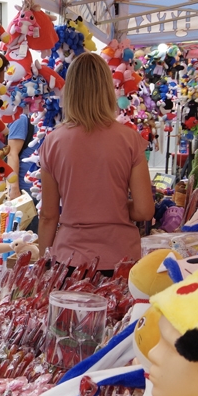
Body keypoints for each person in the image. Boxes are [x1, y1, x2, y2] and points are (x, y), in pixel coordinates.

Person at [38, 52, 154, 272]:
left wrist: (42, 266)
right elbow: (144, 211)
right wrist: (114, 206)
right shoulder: (130, 139)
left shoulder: (53, 142)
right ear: (107, 90)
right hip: (121, 259)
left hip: (70, 259)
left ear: (70, 91)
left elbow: (48, 216)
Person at [6, 112, 39, 232]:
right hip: (26, 194)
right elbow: (11, 153)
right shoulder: (22, 119)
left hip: (46, 193)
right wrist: (14, 189)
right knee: (24, 242)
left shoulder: (51, 120)